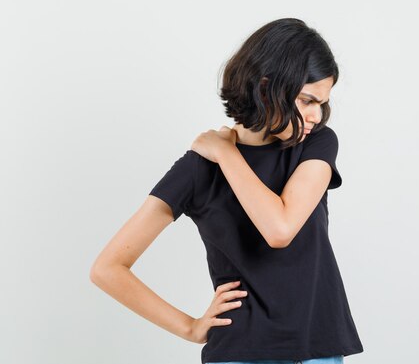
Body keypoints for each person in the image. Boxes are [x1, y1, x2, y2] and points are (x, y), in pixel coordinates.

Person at [89, 18, 364, 364]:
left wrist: (224, 151)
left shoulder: (316, 145)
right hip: (239, 351)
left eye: (322, 103)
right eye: (307, 100)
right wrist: (190, 327)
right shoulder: (197, 169)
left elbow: (280, 228)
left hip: (318, 348)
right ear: (267, 88)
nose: (315, 115)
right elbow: (108, 268)